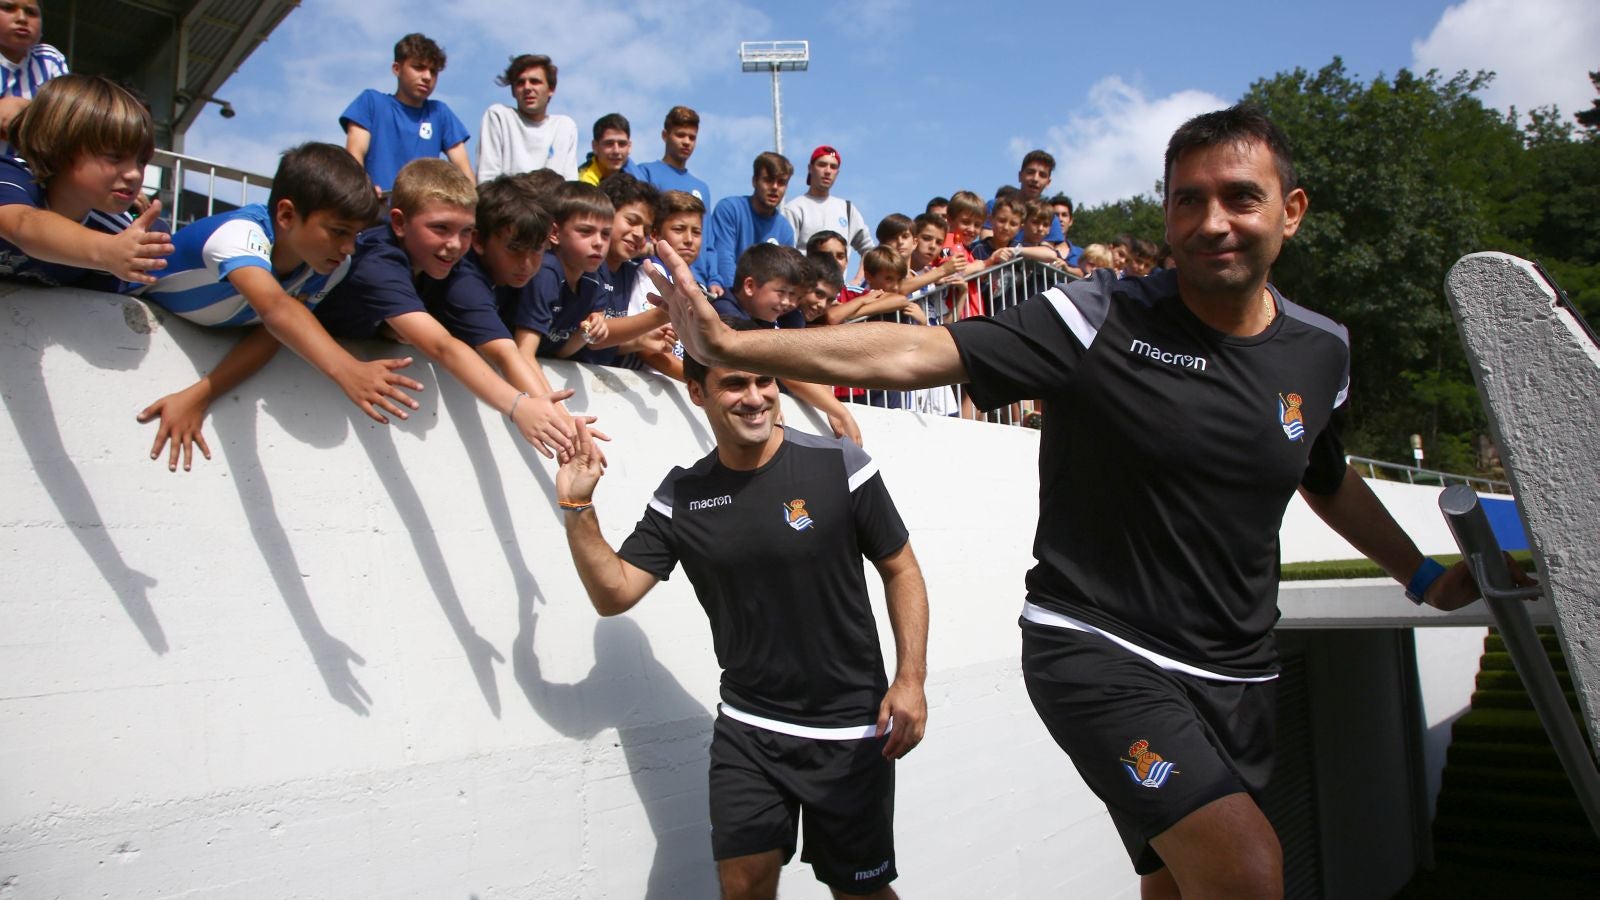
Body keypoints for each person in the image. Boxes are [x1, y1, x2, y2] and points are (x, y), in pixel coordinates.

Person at [648, 103, 1505, 898]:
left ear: (1293, 209)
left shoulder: (1321, 351)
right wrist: (737, 341)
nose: (1213, 222)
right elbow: (920, 355)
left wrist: (1425, 578)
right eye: (1188, 201)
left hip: (1238, 671)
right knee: (1249, 871)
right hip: (1097, 650)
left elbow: (1324, 475)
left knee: (1175, 885)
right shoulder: (1099, 315)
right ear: (1167, 215)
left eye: (1242, 198)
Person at [554, 317, 928, 900]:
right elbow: (614, 593)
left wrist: (910, 680)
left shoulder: (840, 465)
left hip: (852, 728)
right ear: (698, 392)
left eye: (764, 381)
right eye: (734, 384)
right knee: (743, 889)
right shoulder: (683, 494)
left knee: (861, 895)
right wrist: (578, 504)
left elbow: (901, 568)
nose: (754, 397)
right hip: (751, 730)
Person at [137, 143, 422, 470]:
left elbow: (276, 333)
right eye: (339, 232)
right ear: (286, 215)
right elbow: (276, 309)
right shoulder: (239, 235)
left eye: (356, 235)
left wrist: (199, 395)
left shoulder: (329, 265)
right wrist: (348, 369)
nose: (348, 248)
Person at [309, 161, 577, 456]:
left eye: (465, 231)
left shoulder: (450, 265)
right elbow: (442, 347)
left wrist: (563, 425)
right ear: (398, 223)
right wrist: (518, 406)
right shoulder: (376, 262)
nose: (454, 244)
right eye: (440, 228)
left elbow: (503, 350)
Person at [0, 74, 169, 289]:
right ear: (58, 146)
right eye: (115, 156)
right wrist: (106, 251)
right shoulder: (10, 176)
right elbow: (22, 224)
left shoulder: (119, 232)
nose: (134, 174)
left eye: (142, 161)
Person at [713, 243, 861, 445]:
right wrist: (838, 410)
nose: (789, 303)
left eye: (795, 296)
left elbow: (800, 363)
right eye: (783, 292)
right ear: (749, 286)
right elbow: (783, 368)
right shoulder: (724, 312)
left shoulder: (784, 316)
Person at [340, 33, 472, 195]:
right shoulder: (371, 102)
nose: (427, 77)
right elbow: (354, 155)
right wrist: (363, 191)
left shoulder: (440, 112)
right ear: (397, 69)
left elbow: (464, 170)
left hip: (423, 215)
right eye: (419, 67)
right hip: (375, 213)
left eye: (433, 71)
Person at [500, 180, 613, 362]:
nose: (599, 242)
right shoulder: (546, 273)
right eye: (585, 231)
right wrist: (544, 392)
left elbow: (561, 351)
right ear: (554, 233)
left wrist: (587, 334)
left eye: (606, 234)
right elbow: (523, 353)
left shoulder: (594, 282)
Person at [705, 152, 795, 298]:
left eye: (781, 182)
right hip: (730, 296)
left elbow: (782, 277)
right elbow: (723, 258)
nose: (774, 187)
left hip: (765, 305)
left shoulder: (786, 230)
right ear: (754, 181)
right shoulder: (729, 209)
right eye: (768, 180)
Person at [477, 53, 578, 182]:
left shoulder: (565, 127)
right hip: (507, 201)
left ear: (551, 89)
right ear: (513, 91)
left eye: (535, 81)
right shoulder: (499, 116)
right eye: (520, 83)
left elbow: (570, 185)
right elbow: (487, 180)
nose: (527, 87)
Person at [782, 145, 874, 259]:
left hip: (839, 277)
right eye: (822, 165)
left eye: (833, 167)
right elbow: (786, 256)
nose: (828, 171)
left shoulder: (847, 209)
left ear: (837, 173)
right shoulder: (794, 208)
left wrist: (857, 277)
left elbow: (870, 250)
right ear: (810, 168)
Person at [0, 0, 67, 141]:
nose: (22, 18)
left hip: (29, 161)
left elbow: (66, 117)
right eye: (8, 8)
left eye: (31, 12)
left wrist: (24, 111)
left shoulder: (49, 59)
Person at [576, 113, 644, 186]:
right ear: (595, 146)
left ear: (629, 147)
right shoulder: (583, 183)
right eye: (609, 143)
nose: (616, 151)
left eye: (622, 143)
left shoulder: (640, 177)